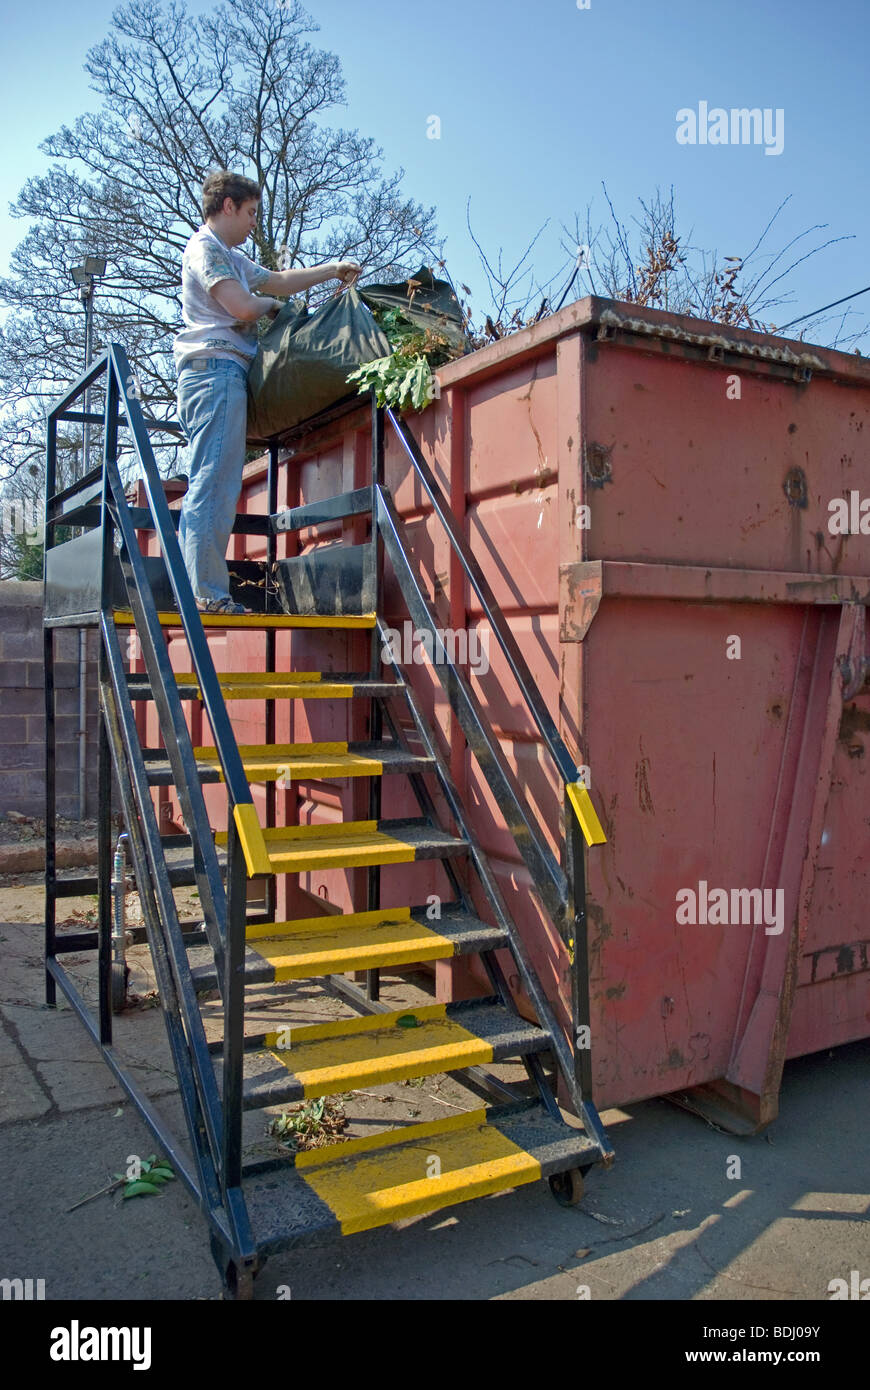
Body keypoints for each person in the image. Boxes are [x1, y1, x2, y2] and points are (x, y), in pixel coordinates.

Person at [174, 170, 361, 615]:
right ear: (228, 206)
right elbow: (242, 305)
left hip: (221, 374)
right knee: (214, 482)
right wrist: (275, 308)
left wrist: (330, 271)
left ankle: (203, 589)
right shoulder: (206, 249)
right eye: (251, 212)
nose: (255, 222)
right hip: (215, 372)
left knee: (216, 479)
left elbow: (275, 279)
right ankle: (205, 594)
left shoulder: (230, 256)